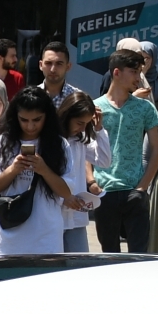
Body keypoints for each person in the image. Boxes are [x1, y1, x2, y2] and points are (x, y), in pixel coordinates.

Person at [0, 86, 82, 258]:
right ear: (15, 117)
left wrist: (44, 170)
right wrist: (14, 169)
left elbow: (67, 191)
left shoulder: (59, 145)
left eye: (37, 120)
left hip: (46, 239)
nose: (30, 126)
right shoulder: (3, 142)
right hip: (8, 239)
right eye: (24, 120)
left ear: (47, 117)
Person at [92, 48, 158, 254]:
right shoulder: (95, 107)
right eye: (134, 72)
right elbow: (86, 149)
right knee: (109, 253)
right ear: (117, 72)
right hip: (104, 189)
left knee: (139, 254)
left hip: (134, 189)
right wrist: (92, 183)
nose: (139, 78)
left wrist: (142, 188)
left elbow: (157, 150)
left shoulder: (145, 108)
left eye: (140, 72)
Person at [58, 90, 106, 253]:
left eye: (86, 123)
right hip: (54, 216)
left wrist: (99, 129)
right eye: (79, 122)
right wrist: (63, 197)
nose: (82, 128)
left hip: (77, 217)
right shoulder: (53, 141)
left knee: (78, 267)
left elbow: (104, 161)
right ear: (67, 116)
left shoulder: (81, 141)